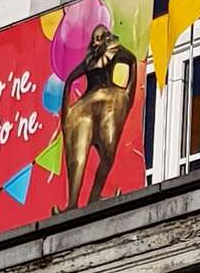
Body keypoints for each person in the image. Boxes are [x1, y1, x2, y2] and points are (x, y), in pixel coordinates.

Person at [58, 25, 139, 209]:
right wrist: (66, 113)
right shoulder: (89, 60)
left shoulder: (116, 52)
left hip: (110, 99)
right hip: (85, 105)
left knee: (108, 153)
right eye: (94, 39)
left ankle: (94, 196)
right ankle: (72, 203)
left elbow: (131, 61)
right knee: (77, 157)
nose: (95, 43)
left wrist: (126, 95)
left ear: (107, 39)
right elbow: (70, 79)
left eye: (99, 39)